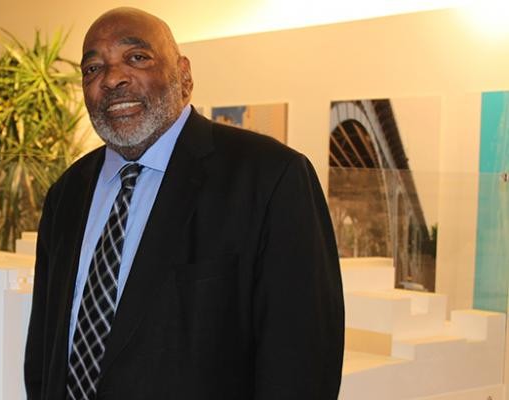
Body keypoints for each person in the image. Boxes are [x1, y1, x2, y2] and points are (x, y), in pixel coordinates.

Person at [25, 7, 344, 400]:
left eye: (137, 58)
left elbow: (301, 365)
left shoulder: (271, 178)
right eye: (93, 68)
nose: (112, 78)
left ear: (185, 76)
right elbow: (45, 350)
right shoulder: (67, 194)